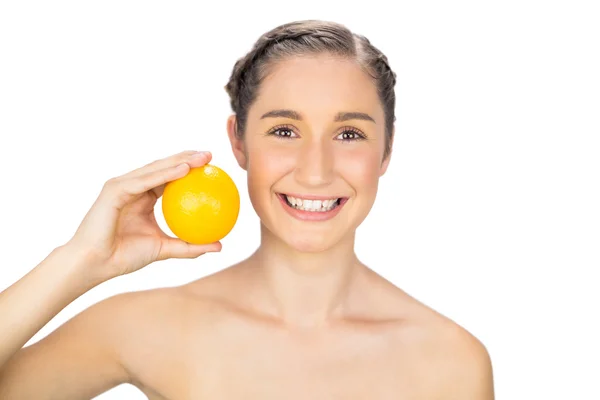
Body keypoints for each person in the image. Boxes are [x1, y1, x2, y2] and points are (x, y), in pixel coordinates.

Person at [0, 19, 494, 399]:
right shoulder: (147, 326)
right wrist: (78, 261)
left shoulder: (452, 361)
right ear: (238, 142)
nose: (316, 170)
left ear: (386, 151)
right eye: (284, 131)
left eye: (349, 134)